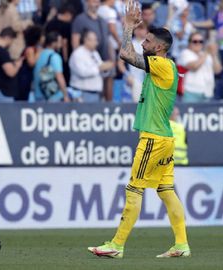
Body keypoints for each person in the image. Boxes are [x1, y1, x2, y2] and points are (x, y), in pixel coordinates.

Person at [88, 0, 189, 258]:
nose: (142, 44)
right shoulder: (163, 66)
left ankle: (117, 245)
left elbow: (126, 54)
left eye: (147, 42)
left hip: (153, 139)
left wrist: (127, 28)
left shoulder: (162, 64)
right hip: (163, 137)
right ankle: (182, 244)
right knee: (166, 190)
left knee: (134, 188)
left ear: (159, 47)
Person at [68, 30, 114, 102]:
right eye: (94, 40)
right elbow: (82, 72)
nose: (97, 43)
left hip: (96, 93)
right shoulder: (78, 54)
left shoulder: (95, 53)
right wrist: (99, 68)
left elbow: (101, 69)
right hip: (83, 93)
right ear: (86, 40)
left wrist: (106, 68)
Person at [178, 32, 222, 102]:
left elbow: (218, 70)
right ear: (189, 43)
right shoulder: (185, 53)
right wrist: (207, 52)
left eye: (201, 41)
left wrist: (214, 55)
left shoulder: (206, 54)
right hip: (191, 93)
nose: (198, 44)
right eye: (195, 41)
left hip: (207, 93)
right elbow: (194, 67)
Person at [0, 27, 23, 102]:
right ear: (7, 38)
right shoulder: (2, 52)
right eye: (11, 40)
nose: (11, 43)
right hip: (2, 91)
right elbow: (11, 72)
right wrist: (17, 65)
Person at [33, 31, 70, 102]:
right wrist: (65, 95)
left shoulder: (38, 54)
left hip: (38, 95)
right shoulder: (54, 56)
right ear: (53, 43)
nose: (61, 44)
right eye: (59, 42)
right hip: (53, 97)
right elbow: (59, 76)